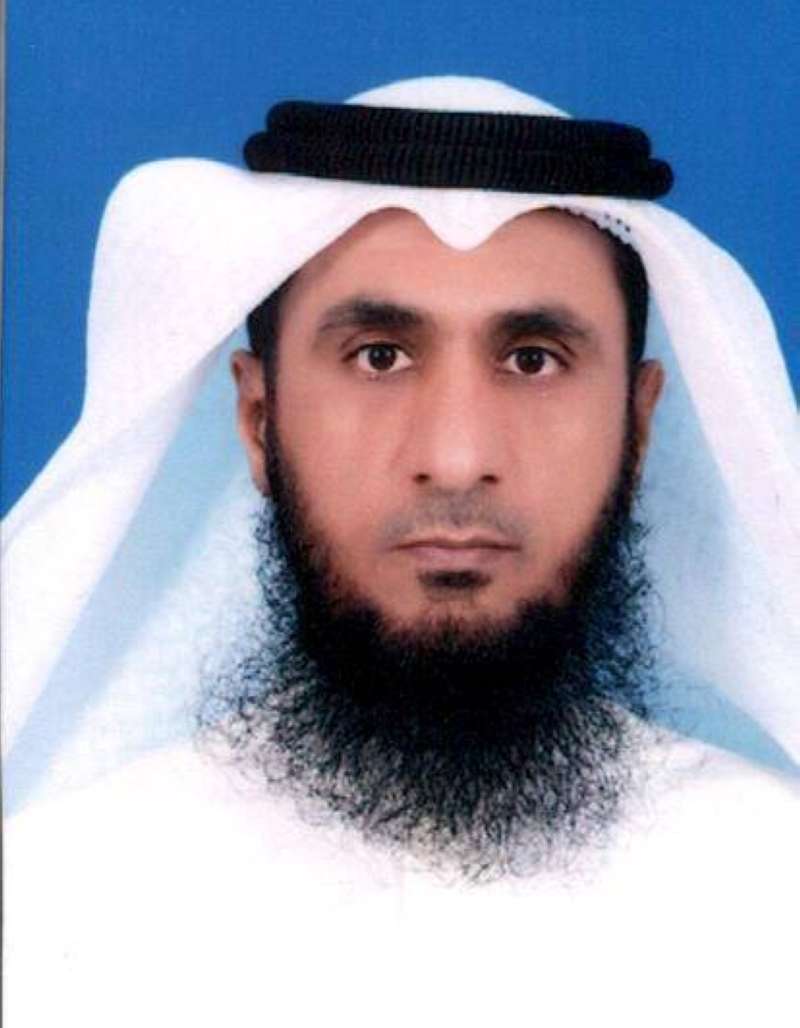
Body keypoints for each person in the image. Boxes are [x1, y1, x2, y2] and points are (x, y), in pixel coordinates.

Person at [4, 76, 798, 1026]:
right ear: (258, 421)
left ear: (637, 432)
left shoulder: (773, 894)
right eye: (379, 355)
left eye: (533, 359)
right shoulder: (52, 903)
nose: (456, 458)